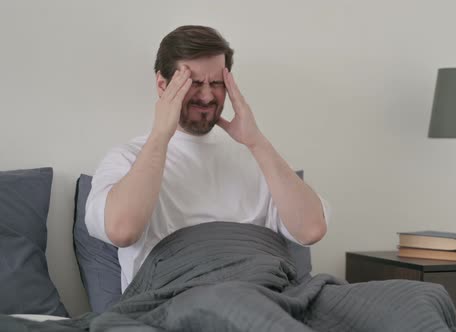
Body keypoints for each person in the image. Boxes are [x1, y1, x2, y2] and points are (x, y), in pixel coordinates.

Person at [85, 25, 330, 292]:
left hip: (264, 292)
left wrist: (257, 142)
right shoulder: (127, 158)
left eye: (216, 84)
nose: (206, 96)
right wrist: (160, 136)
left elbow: (311, 230)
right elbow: (122, 230)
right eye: (193, 83)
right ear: (162, 85)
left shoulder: (256, 156)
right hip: (177, 298)